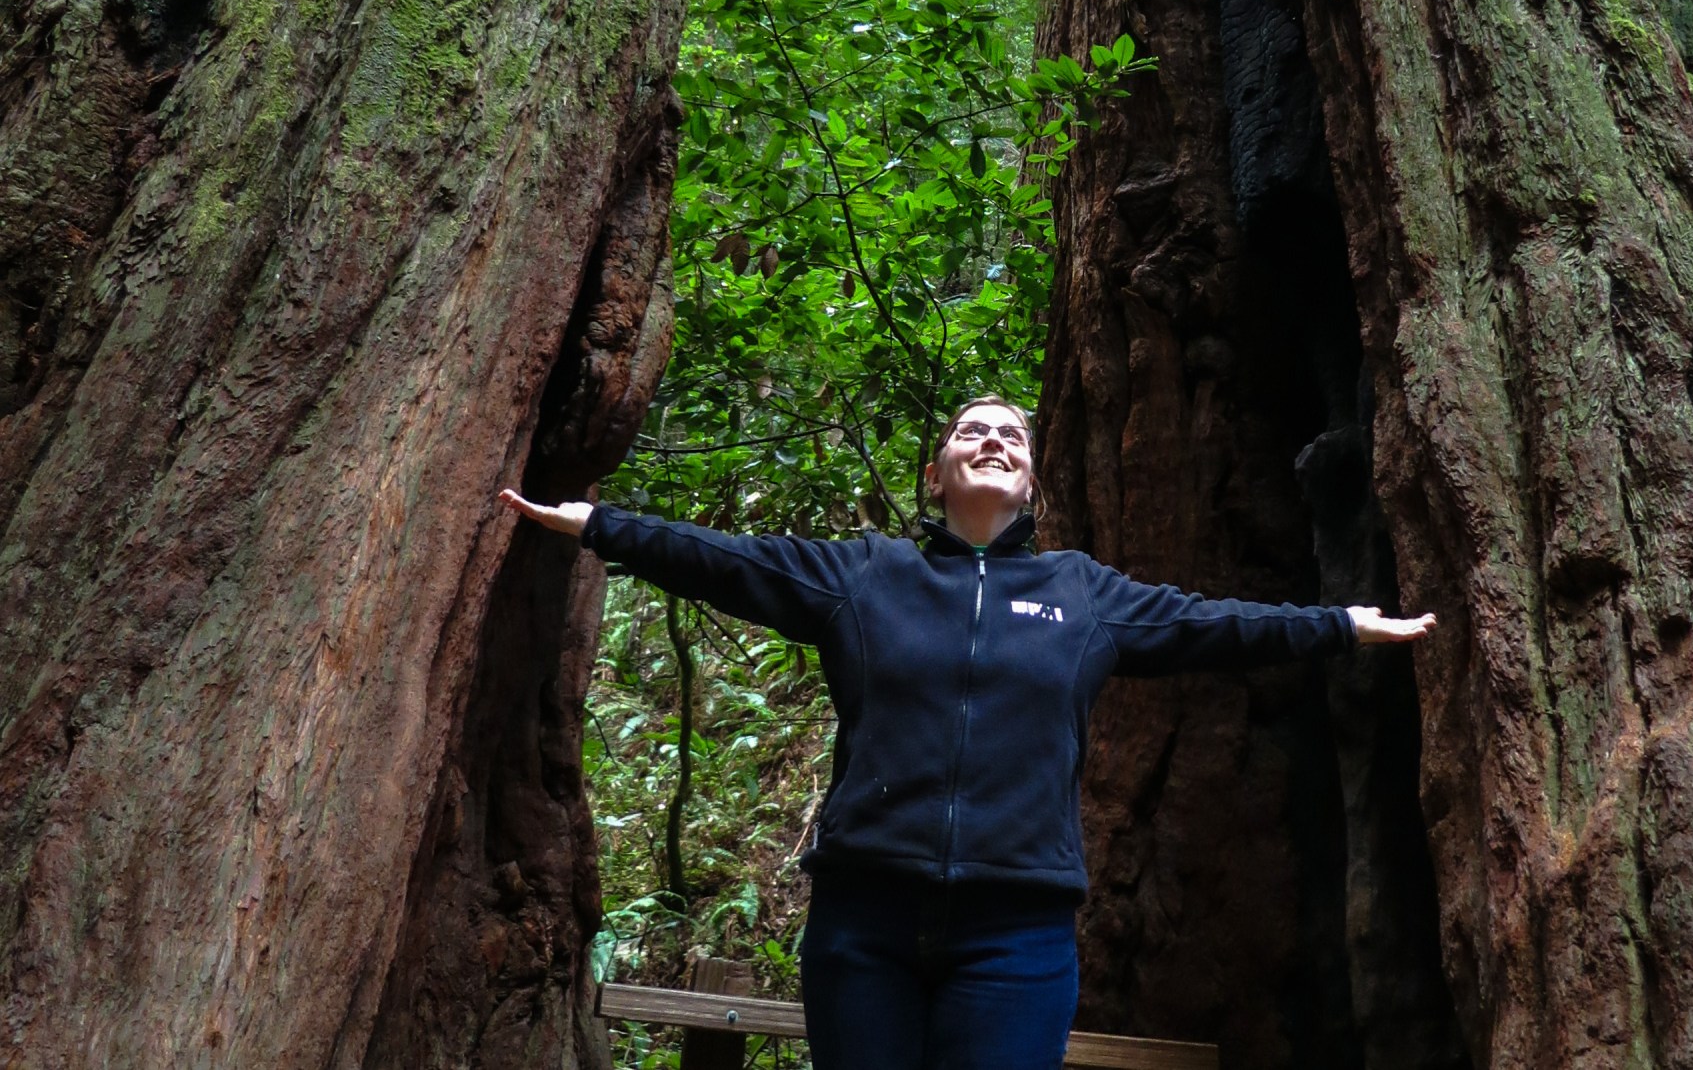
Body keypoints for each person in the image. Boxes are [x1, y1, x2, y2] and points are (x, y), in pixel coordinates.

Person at [500, 396, 1434, 1070]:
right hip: (866, 921)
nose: (992, 439)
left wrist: (1341, 623)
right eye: (969, 432)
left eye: (1013, 435)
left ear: (1029, 483)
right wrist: (596, 525)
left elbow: (1216, 624)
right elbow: (726, 561)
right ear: (937, 474)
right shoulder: (863, 577)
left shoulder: (1084, 594)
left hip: (1016, 933)